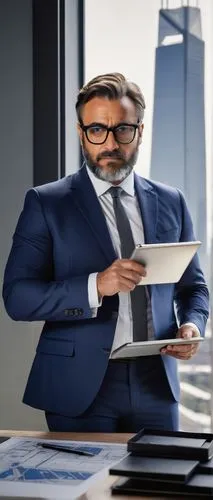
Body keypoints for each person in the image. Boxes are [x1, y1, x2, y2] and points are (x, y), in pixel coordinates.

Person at [2, 72, 209, 433]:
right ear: (82, 132)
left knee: (161, 488)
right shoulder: (47, 203)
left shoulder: (172, 201)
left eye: (123, 130)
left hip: (156, 382)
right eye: (97, 130)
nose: (110, 143)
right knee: (86, 491)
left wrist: (192, 325)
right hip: (78, 385)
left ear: (140, 131)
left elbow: (194, 288)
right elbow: (17, 297)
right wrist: (95, 285)